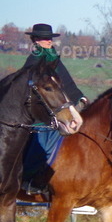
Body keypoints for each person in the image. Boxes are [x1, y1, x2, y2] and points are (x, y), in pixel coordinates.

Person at [21, 23, 88, 196]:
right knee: (41, 143)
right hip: (38, 114)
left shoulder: (53, 58)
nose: (49, 41)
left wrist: (80, 97)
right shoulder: (34, 60)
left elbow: (65, 82)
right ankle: (29, 180)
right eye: (45, 38)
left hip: (54, 111)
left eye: (50, 38)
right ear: (35, 40)